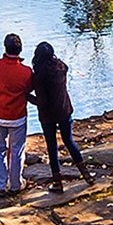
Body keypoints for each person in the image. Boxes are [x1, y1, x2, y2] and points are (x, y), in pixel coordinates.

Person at [27, 41, 95, 190]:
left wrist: (27, 96)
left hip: (48, 116)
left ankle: (57, 182)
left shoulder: (38, 76)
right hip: (64, 110)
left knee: (52, 147)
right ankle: (87, 175)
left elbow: (42, 102)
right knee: (69, 141)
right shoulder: (61, 67)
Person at [0, 33, 33, 194]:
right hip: (17, 117)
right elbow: (28, 89)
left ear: (5, 48)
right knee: (17, 150)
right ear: (20, 50)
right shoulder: (26, 72)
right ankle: (15, 185)